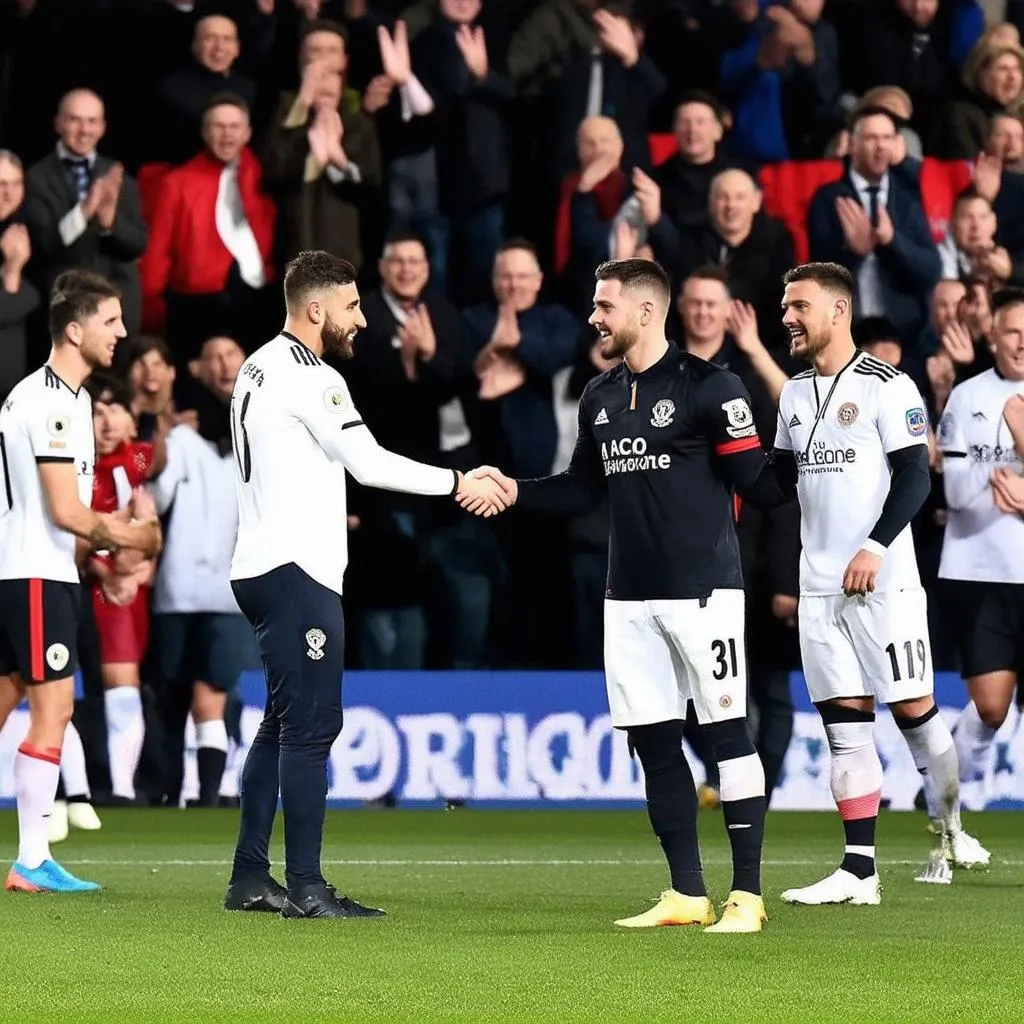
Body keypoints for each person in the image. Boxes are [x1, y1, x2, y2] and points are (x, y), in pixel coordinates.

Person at [465, 257, 798, 934]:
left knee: (727, 734)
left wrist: (801, 444)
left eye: (603, 305)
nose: (593, 316)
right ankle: (684, 892)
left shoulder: (713, 387)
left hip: (704, 594)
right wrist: (516, 491)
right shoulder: (600, 395)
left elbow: (762, 488)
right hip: (629, 599)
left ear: (645, 312)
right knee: (653, 742)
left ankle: (748, 897)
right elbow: (584, 487)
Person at [222, 250, 508, 920]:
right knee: (315, 724)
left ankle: (249, 878)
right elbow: (368, 461)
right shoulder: (309, 374)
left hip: (263, 565)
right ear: (315, 308)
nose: (362, 321)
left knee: (282, 724)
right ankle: (308, 887)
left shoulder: (256, 366)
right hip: (297, 572)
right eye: (352, 308)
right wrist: (458, 481)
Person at [772, 262, 989, 907]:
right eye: (785, 306)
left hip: (883, 587)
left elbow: (916, 479)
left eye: (798, 306)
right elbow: (773, 486)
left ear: (837, 312)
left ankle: (950, 829)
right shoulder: (791, 395)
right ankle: (858, 871)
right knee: (845, 727)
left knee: (916, 717)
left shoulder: (887, 387)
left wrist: (874, 546)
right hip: (820, 591)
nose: (786, 316)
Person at [0, 270, 162, 893]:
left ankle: (33, 860)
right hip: (36, 575)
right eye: (111, 321)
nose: (123, 332)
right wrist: (134, 537)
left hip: (29, 570)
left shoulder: (51, 396)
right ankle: (32, 860)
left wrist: (101, 556)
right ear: (75, 328)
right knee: (55, 708)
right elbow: (66, 513)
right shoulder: (54, 402)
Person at [937, 288, 1024, 809]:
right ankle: (949, 791)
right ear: (991, 334)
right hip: (978, 570)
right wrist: (995, 479)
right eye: (1013, 331)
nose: (1022, 343)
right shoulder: (967, 397)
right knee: (991, 708)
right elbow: (954, 491)